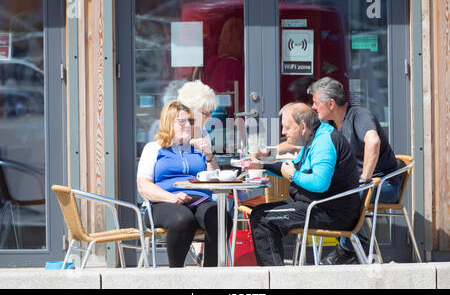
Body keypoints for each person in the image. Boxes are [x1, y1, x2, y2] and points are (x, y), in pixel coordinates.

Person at [243, 103, 360, 266]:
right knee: (259, 212)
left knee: (263, 220)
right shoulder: (314, 137)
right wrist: (262, 164)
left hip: (329, 211)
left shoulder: (324, 142)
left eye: (287, 128)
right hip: (317, 205)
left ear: (303, 127)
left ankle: (274, 279)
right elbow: (293, 167)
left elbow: (319, 183)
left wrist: (293, 175)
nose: (283, 132)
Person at [309, 77, 401, 265]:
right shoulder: (331, 125)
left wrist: (364, 180)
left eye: (316, 103)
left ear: (331, 103)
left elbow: (373, 141)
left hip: (384, 184)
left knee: (345, 196)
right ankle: (357, 240)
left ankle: (348, 247)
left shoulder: (359, 116)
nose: (313, 107)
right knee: (319, 192)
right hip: (358, 187)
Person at [137, 100, 232, 267]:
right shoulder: (154, 148)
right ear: (168, 123)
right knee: (183, 219)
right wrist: (171, 198)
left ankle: (210, 274)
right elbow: (143, 185)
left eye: (191, 121)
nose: (188, 125)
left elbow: (215, 182)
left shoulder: (197, 148)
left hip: (200, 199)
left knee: (220, 217)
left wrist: (209, 156)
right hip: (164, 202)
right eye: (182, 121)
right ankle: (177, 274)